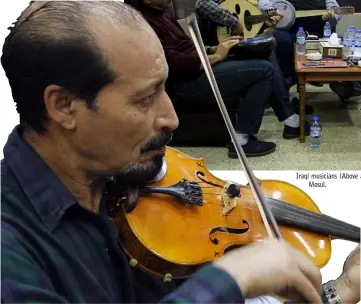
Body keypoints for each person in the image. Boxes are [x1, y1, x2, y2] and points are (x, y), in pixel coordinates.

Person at [1, 1, 360, 303]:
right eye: (144, 97)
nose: (171, 119)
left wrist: (338, 291)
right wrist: (229, 278)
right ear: (63, 106)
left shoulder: (115, 180)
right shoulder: (11, 252)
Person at [125, 0, 311, 159]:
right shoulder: (144, 23)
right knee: (264, 70)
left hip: (197, 69)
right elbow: (174, 63)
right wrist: (216, 57)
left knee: (265, 51)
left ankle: (290, 121)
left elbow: (185, 47)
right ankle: (241, 141)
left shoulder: (162, 14)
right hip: (185, 84)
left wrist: (213, 49)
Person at [194, 0, 313, 114]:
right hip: (214, 47)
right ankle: (287, 109)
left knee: (267, 46)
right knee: (265, 54)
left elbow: (246, 21)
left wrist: (264, 21)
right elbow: (201, 4)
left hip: (226, 44)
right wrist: (234, 23)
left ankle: (286, 107)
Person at [258, 0, 342, 83]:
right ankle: (288, 77)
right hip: (290, 31)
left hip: (317, 32)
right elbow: (264, 1)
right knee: (283, 41)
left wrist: (331, 15)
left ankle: (338, 81)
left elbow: (337, 11)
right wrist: (271, 10)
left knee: (341, 43)